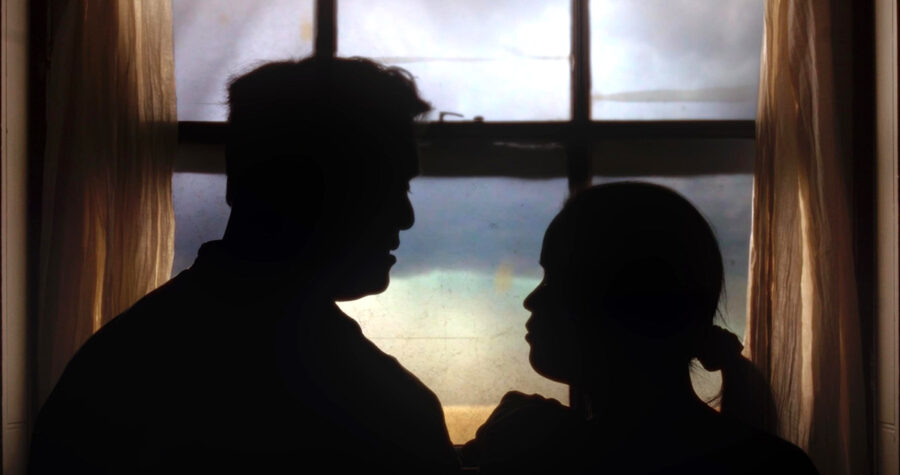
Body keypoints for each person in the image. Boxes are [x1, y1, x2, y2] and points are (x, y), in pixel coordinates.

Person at [29, 56, 459, 474]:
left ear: (237, 182)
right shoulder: (390, 410)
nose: (406, 216)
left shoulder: (111, 372)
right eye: (387, 185)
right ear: (305, 187)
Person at [463, 182, 817, 474]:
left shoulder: (552, 456)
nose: (531, 300)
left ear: (626, 303)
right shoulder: (774, 463)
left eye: (559, 279)